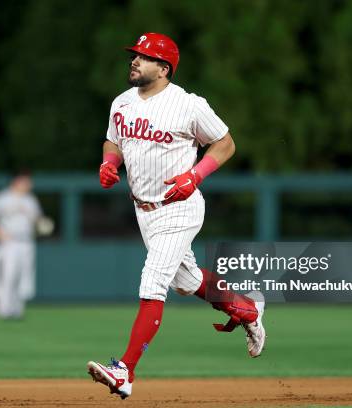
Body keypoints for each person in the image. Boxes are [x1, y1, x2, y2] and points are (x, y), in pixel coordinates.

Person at [87, 33, 266, 399]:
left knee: (153, 279)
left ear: (164, 68)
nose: (134, 61)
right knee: (184, 281)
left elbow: (226, 143)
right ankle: (246, 309)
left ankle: (125, 371)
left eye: (144, 57)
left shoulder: (188, 104)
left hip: (180, 207)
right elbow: (113, 140)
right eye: (134, 55)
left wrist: (195, 175)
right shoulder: (121, 102)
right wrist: (109, 163)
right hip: (145, 211)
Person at [0, 170, 47, 319]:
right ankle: (3, 309)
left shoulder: (31, 200)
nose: (29, 185)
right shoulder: (1, 198)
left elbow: (38, 221)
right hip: (9, 241)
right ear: (16, 182)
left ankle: (17, 309)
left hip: (26, 241)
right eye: (26, 182)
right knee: (9, 275)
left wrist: (42, 227)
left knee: (22, 276)